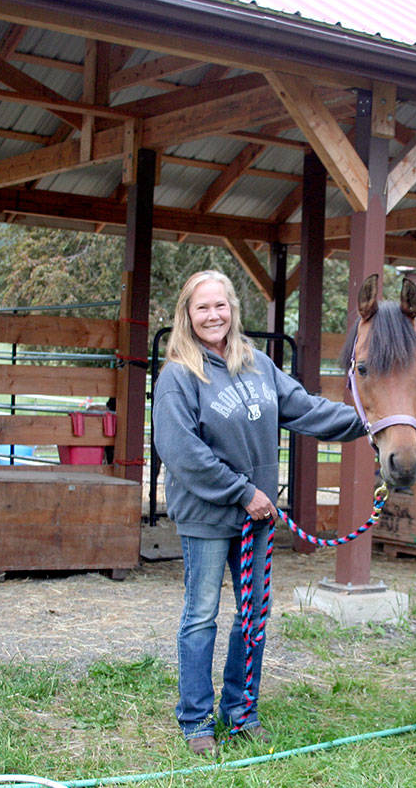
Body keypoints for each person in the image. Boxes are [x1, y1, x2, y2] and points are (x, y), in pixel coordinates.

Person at [153, 270, 366, 757]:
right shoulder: (178, 376)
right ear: (187, 314)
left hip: (256, 516)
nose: (213, 315)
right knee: (202, 614)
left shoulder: (258, 365)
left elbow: (307, 410)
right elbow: (181, 452)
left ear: (233, 309)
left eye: (221, 305)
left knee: (252, 616)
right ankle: (196, 720)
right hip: (209, 515)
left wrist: (370, 421)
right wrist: (242, 491)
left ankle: (241, 711)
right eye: (202, 307)